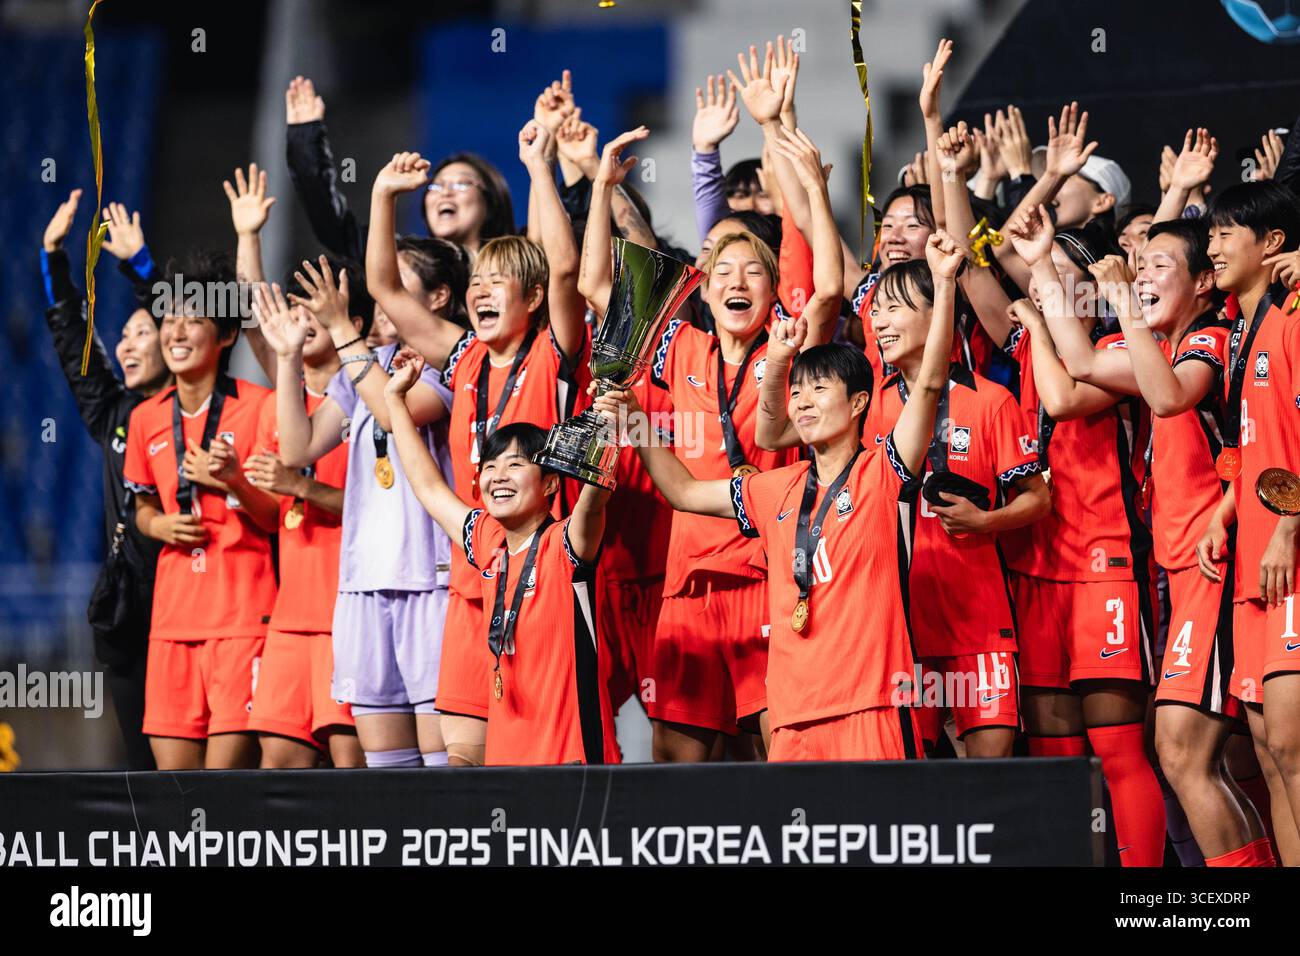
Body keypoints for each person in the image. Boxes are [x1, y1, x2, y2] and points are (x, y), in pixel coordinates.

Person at [596, 231, 963, 760]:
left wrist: (945, 284)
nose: (803, 401)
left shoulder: (883, 472)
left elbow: (928, 387)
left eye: (819, 389)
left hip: (872, 706)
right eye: (796, 391)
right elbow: (683, 491)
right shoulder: (774, 490)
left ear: (860, 402)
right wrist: (636, 423)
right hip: (793, 719)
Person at [579, 122, 842, 761]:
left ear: (772, 289)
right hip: (688, 580)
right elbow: (597, 288)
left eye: (755, 271)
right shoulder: (681, 346)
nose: (739, 281)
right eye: (724, 269)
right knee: (678, 762)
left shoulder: (786, 349)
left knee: (780, 750)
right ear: (704, 283)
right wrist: (601, 187)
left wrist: (809, 186)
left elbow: (830, 289)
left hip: (767, 574)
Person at [1025, 217, 1273, 865]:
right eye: (1143, 263)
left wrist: (1125, 308)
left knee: (1187, 748)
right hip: (1182, 573)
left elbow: (1169, 400)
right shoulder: (1159, 347)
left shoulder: (1212, 341)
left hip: (1218, 565)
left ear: (1202, 283)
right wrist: (1042, 268)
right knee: (1232, 755)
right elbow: (1075, 366)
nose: (1141, 274)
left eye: (1161, 264)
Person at [364, 123, 589, 764]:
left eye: (498, 283)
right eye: (476, 283)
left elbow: (566, 267)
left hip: (547, 565)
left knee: (543, 756)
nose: (480, 292)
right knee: (459, 766)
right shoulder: (463, 356)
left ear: (534, 298)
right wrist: (383, 196)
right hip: (472, 567)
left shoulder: (556, 353)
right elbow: (383, 288)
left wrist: (537, 165)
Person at [996, 205, 1166, 866]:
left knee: (1119, 748)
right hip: (1036, 565)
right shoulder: (1023, 343)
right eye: (1040, 275)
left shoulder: (1125, 349)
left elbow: (1066, 397)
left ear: (1092, 293)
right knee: (1054, 753)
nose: (1043, 285)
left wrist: (1039, 313)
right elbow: (976, 273)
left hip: (1105, 564)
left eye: (1062, 274)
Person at [267, 254, 457, 769]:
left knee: (442, 768)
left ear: (438, 296)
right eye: (380, 283)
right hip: (363, 584)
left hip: (429, 581)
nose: (383, 292)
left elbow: (398, 415)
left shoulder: (450, 358)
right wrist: (287, 358)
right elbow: (297, 448)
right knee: (387, 770)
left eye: (397, 281)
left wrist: (339, 330)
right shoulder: (365, 365)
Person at [385, 355, 618, 766]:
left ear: (550, 484)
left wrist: (610, 424)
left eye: (515, 465)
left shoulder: (565, 544)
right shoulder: (489, 542)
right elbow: (427, 487)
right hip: (507, 769)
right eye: (491, 466)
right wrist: (394, 399)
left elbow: (595, 493)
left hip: (573, 768)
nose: (498, 476)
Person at [859, 259, 1050, 756]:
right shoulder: (869, 406)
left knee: (990, 777)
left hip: (979, 622)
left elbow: (1037, 498)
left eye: (893, 308)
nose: (878, 322)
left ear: (940, 312)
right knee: (909, 781)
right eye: (874, 311)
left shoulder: (992, 401)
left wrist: (987, 521)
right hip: (901, 628)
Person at [122, 250, 280, 771]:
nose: (177, 332)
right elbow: (140, 506)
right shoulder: (145, 419)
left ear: (227, 335)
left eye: (195, 319)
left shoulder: (259, 407)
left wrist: (234, 479)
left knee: (226, 792)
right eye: (170, 319)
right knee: (174, 799)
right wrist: (157, 524)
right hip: (171, 625)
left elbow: (279, 517)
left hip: (241, 621)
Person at [40, 190, 169, 771]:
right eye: (124, 337)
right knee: (144, 765)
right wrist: (53, 258)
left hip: (196, 604)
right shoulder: (116, 414)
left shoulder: (202, 407)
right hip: (132, 615)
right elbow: (75, 347)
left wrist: (143, 269)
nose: (127, 343)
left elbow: (190, 322)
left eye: (143, 332)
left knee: (212, 772)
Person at [1198, 181, 1300, 863]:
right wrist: (1224, 508)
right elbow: (1257, 442)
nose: (1213, 245)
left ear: (1270, 244)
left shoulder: (1295, 313)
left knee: (1294, 748)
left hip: (1291, 555)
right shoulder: (1244, 328)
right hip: (1252, 562)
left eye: (1227, 232)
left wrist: (1290, 528)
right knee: (1268, 758)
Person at [244, 271, 364, 770]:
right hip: (290, 617)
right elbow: (259, 312)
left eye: (316, 309)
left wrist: (303, 487)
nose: (301, 319)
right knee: (277, 767)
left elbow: (378, 509)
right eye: (296, 309)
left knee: (351, 764)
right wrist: (236, 480)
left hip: (349, 613)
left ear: (351, 324)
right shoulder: (282, 405)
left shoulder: (369, 402)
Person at [284, 74, 514, 263]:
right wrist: (306, 137)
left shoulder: (518, 263)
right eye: (435, 185)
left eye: (461, 183)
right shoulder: (404, 263)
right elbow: (335, 228)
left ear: (492, 201)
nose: (445, 192)